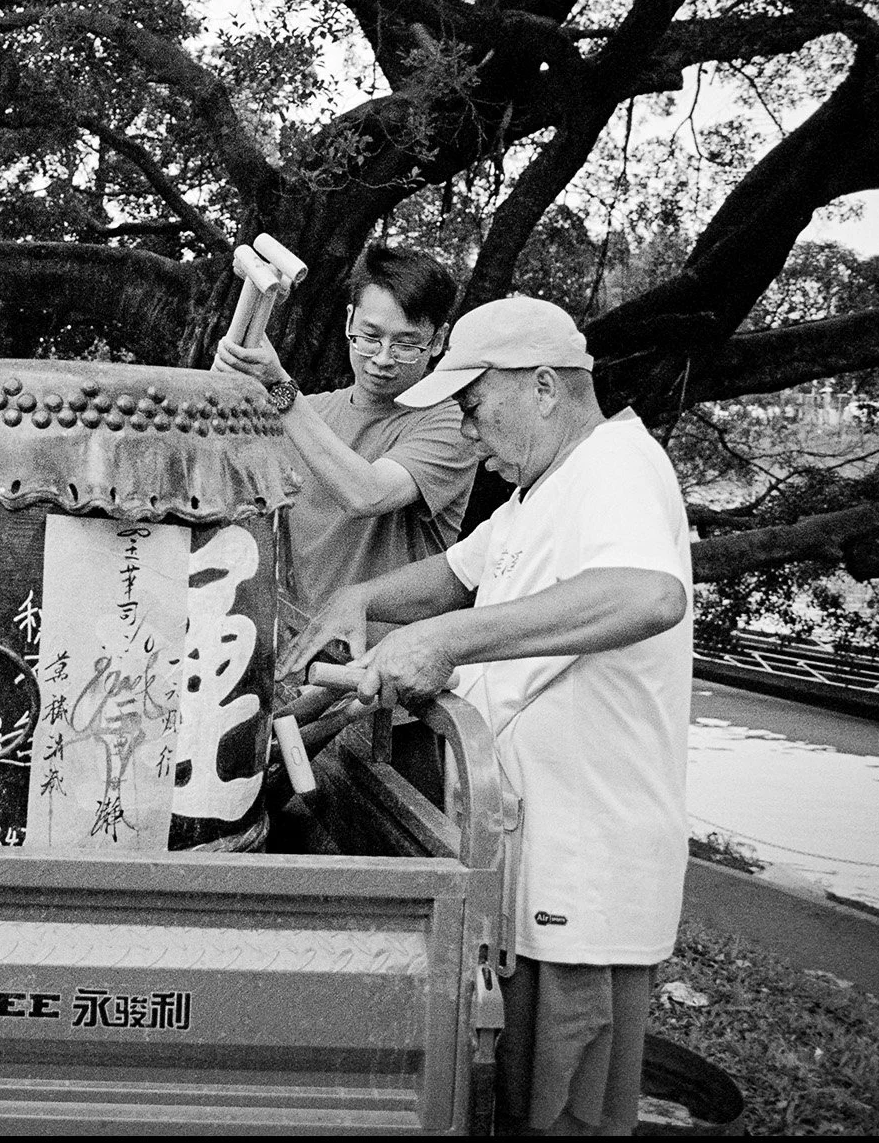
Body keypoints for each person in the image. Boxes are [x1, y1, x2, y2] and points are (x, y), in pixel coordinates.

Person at [280, 295, 693, 1137]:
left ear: (544, 386)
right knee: (507, 1100)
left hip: (586, 880)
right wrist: (363, 597)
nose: (468, 432)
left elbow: (650, 594)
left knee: (561, 1109)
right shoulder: (541, 489)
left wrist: (447, 642)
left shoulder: (617, 465)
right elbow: (458, 573)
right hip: (525, 863)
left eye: (474, 405)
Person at [214, 245, 478, 640]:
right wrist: (229, 383)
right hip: (280, 643)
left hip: (371, 669)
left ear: (438, 340)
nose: (383, 358)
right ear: (349, 321)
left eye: (407, 344)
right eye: (370, 337)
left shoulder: (453, 422)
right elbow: (213, 465)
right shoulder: (312, 412)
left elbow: (366, 493)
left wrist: (278, 388)